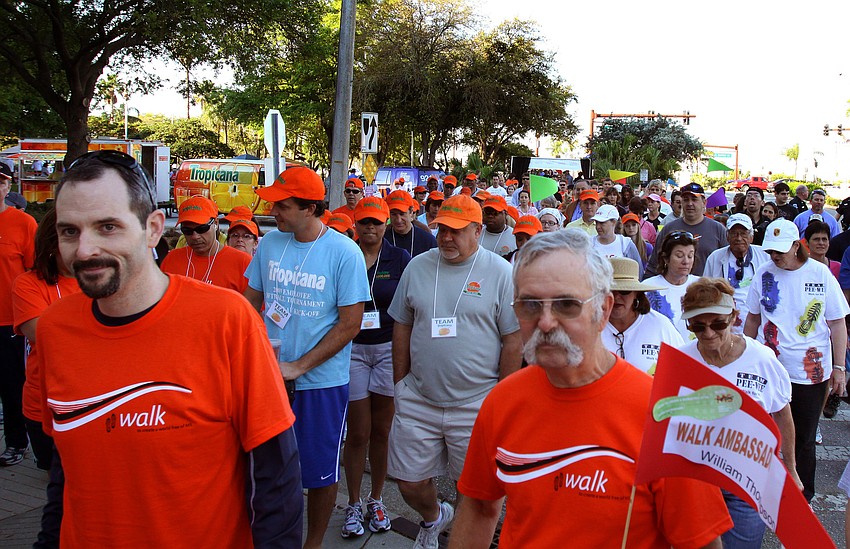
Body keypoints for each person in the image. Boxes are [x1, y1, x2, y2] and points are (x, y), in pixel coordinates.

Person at [37, 150, 302, 547]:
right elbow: (64, 466)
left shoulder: (227, 320)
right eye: (69, 231)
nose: (85, 249)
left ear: (153, 228)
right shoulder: (55, 328)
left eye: (107, 227)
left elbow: (276, 475)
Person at [450, 230, 732, 549]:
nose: (544, 322)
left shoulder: (662, 415)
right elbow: (479, 506)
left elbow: (700, 541)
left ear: (603, 308)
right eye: (529, 304)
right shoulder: (503, 401)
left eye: (567, 304)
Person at [244, 166, 371, 549]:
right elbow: (250, 306)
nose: (273, 213)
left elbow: (350, 325)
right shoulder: (268, 244)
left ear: (309, 208)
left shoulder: (344, 252)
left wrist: (299, 366)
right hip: (269, 379)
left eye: (282, 206)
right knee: (263, 470)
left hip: (321, 384)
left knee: (318, 474)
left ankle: (312, 544)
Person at [387, 194, 522, 549]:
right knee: (407, 481)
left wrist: (501, 399)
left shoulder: (501, 272)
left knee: (473, 492)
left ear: (478, 230)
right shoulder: (417, 266)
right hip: (419, 397)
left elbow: (513, 340)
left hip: (476, 403)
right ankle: (434, 518)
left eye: (457, 231)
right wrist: (400, 382)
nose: (446, 238)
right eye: (442, 229)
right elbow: (401, 324)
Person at [680, 278, 800, 548]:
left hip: (747, 480)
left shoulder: (763, 359)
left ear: (734, 317)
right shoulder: (679, 360)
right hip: (696, 480)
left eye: (718, 324)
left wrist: (791, 470)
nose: (709, 333)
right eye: (698, 326)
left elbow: (782, 415)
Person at [744, 218, 848, 503]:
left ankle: (802, 496)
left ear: (795, 246)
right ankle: (766, 492)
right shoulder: (764, 273)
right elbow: (752, 319)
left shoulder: (820, 273)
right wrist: (746, 359)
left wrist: (840, 367)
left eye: (780, 250)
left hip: (811, 372)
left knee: (803, 437)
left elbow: (837, 323)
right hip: (770, 368)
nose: (775, 256)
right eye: (770, 251)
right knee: (766, 433)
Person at [341, 197, 410, 538]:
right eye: (364, 222)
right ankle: (353, 502)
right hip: (352, 349)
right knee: (358, 433)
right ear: (355, 223)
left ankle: (377, 498)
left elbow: (410, 305)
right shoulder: (345, 253)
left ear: (386, 225)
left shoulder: (399, 258)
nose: (370, 228)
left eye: (376, 222)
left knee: (382, 433)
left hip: (386, 350)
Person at [12, 208, 81, 470]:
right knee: (57, 485)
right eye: (71, 236)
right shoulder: (29, 285)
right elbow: (45, 336)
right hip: (45, 406)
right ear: (52, 244)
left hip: (98, 405)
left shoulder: (104, 281)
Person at [0, 161, 37, 466]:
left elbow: (35, 273)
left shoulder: (23, 223)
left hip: (10, 322)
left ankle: (16, 442)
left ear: (8, 186)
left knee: (12, 386)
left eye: (1, 181)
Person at [601, 257, 682, 374]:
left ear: (636, 293)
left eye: (624, 291)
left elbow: (682, 367)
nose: (617, 297)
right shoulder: (589, 326)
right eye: (611, 291)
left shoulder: (661, 326)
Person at [160, 196, 251, 293]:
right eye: (187, 231)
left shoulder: (242, 263)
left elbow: (253, 305)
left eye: (202, 229)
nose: (195, 236)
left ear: (215, 223)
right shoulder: (171, 259)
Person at [703, 214, 771, 334]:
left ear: (752, 236)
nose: (739, 238)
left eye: (743, 233)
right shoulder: (715, 258)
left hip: (757, 324)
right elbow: (706, 293)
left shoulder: (765, 256)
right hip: (725, 326)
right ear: (727, 236)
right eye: (734, 233)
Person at [646, 183, 727, 277]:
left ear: (704, 202)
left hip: (708, 288)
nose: (689, 204)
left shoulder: (718, 230)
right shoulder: (669, 229)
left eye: (694, 199)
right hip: (675, 289)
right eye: (685, 200)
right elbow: (654, 265)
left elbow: (728, 264)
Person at [644, 231, 699, 340]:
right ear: (666, 258)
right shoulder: (647, 287)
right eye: (679, 255)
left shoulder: (701, 286)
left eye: (690, 256)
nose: (686, 261)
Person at [591, 204, 643, 275]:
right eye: (596, 222)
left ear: (614, 222)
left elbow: (638, 271)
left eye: (602, 223)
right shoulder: (590, 243)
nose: (598, 227)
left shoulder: (625, 244)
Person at [385, 189, 438, 258]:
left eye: (402, 214)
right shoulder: (383, 239)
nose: (398, 220)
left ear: (411, 212)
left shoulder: (428, 240)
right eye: (393, 214)